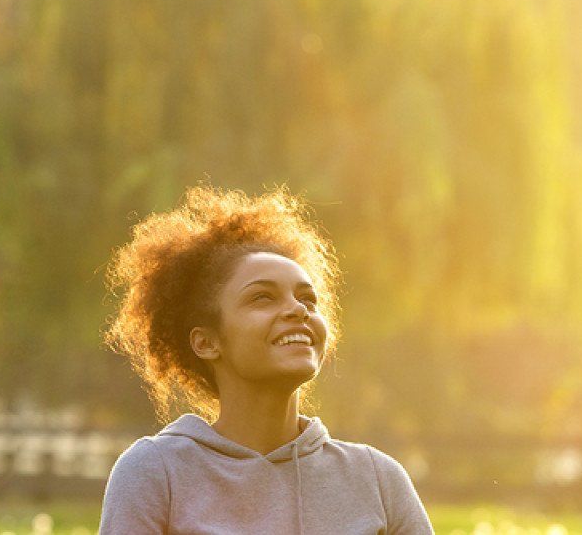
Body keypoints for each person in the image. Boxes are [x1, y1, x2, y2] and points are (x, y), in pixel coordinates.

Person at [99, 185, 434, 534]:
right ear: (207, 342)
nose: (297, 310)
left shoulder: (378, 478)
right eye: (262, 298)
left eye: (307, 299)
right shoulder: (156, 472)